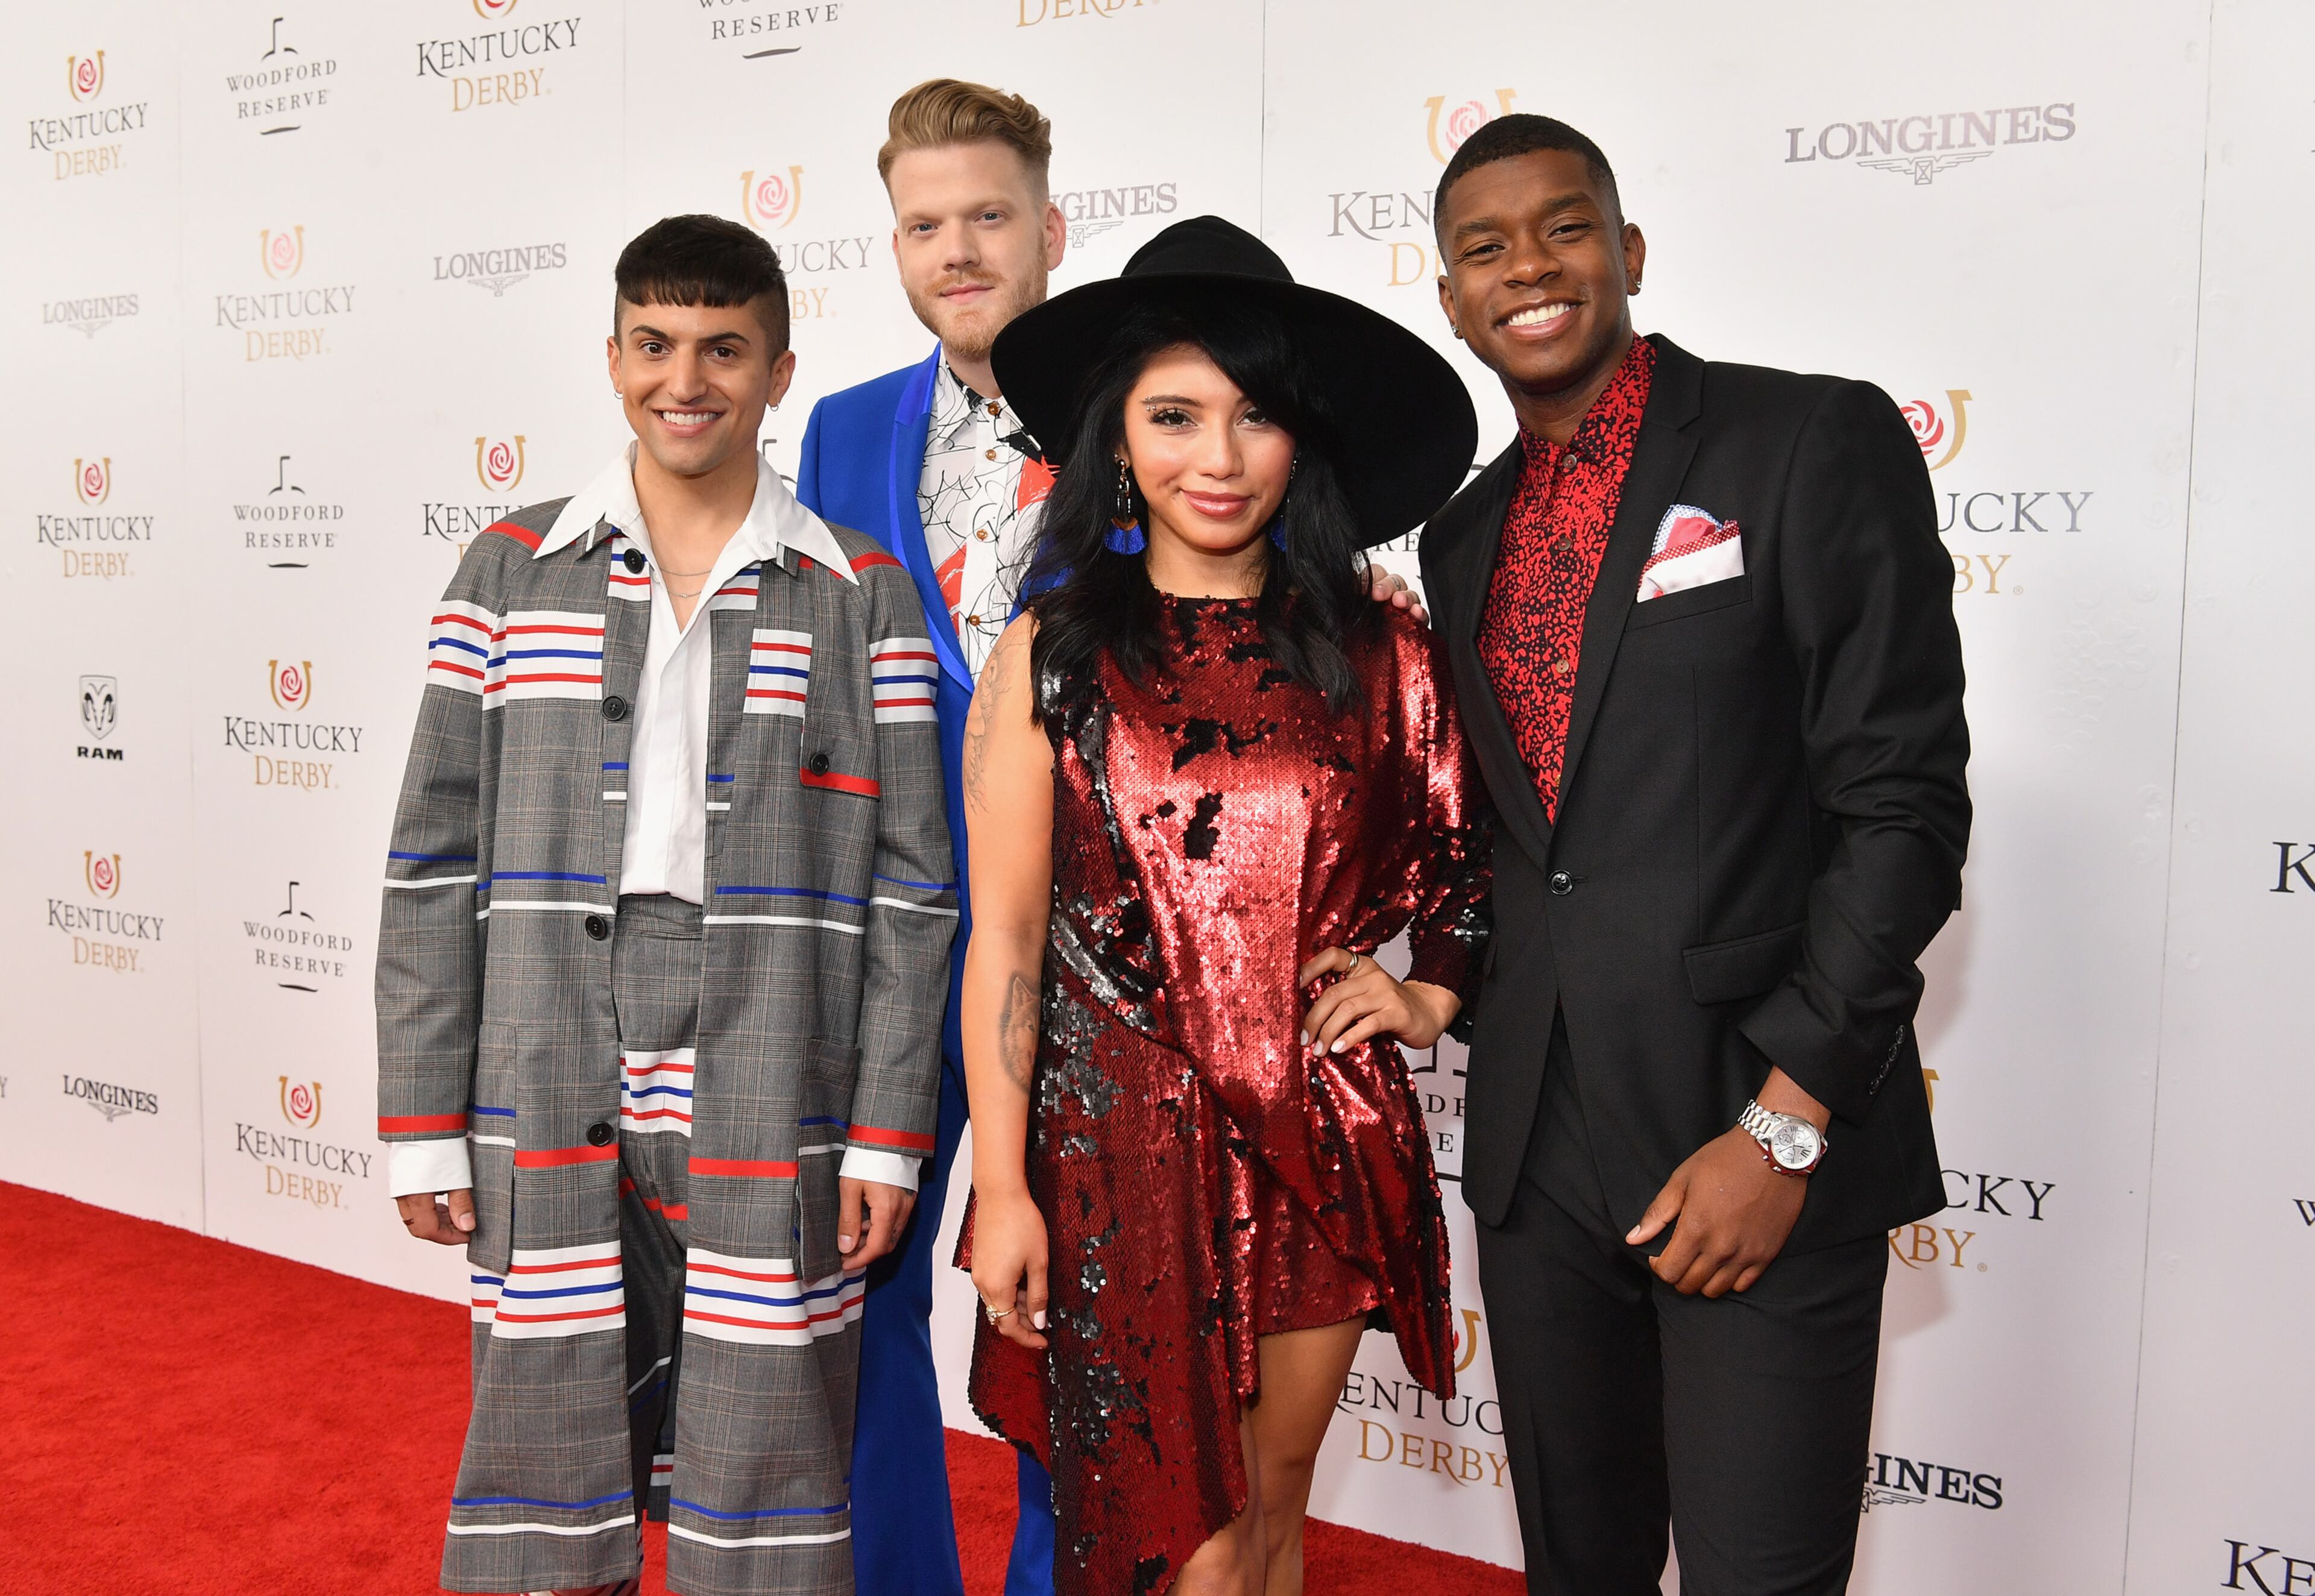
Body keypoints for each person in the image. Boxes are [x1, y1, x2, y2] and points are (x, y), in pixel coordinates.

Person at [794, 80, 1425, 1596]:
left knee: (1102, 1372)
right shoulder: (838, 433)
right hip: (889, 950)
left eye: (990, 216)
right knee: (868, 1309)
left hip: (1116, 989)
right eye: (927, 224)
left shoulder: (1156, 417)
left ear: (1048, 229)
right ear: (893, 245)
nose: (960, 249)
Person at [1417, 115, 1971, 1594]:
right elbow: (1529, 836)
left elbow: (1903, 810)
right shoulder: (1461, 535)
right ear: (1451, 297)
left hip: (1752, 1141)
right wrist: (1436, 980)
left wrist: (1784, 1129)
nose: (1528, 267)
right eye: (1485, 247)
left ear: (1630, 250)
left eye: (1564, 226)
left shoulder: (1803, 440)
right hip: (1538, 1165)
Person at [377, 213, 955, 1596]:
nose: (683, 379)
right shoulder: (509, 572)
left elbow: (914, 894)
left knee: (766, 1430)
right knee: (551, 1404)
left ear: (779, 369)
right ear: (613, 354)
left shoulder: (861, 594)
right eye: (654, 344)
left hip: (778, 1053)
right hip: (549, 1036)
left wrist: (887, 1138)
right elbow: (432, 857)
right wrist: (420, 1129)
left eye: (723, 349)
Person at [957, 216, 1491, 1596]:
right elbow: (1008, 941)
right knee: (1168, 1537)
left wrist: (1429, 988)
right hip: (1109, 1147)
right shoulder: (1053, 652)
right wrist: (1004, 1184)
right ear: (1117, 440)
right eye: (1176, 415)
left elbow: (1465, 858)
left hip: (1314, 1135)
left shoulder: (1382, 647)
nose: (1218, 456)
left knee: (1269, 1505)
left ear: (1301, 438)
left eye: (1254, 416)